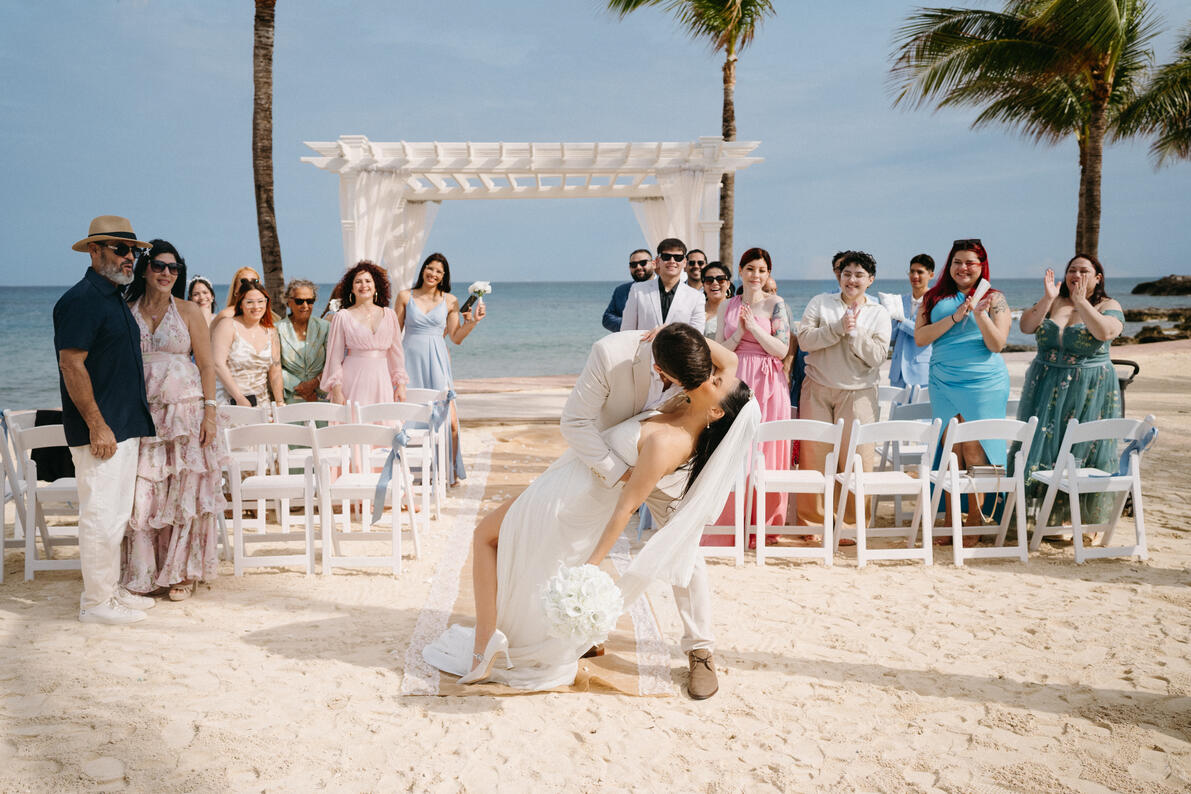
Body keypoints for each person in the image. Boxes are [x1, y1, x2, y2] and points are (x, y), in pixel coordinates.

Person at [425, 325, 756, 694]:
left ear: (715, 409)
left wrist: (593, 567)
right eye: (707, 374)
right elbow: (576, 421)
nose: (710, 377)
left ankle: (700, 649)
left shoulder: (678, 425)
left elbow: (626, 507)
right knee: (539, 555)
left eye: (713, 381)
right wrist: (674, 332)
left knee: (685, 549)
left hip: (618, 478)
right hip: (600, 471)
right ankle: (545, 635)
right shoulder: (648, 368)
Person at [54, 216, 157, 624]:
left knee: (115, 515)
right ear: (95, 251)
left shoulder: (112, 297)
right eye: (120, 249)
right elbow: (71, 364)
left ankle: (108, 593)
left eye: (134, 250)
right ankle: (96, 604)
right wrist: (97, 424)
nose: (130, 257)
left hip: (122, 425)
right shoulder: (81, 299)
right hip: (102, 429)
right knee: (100, 515)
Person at [121, 240, 222, 601]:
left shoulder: (190, 311)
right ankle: (145, 572)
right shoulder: (125, 308)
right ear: (145, 269)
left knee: (183, 491)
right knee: (143, 494)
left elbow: (207, 364)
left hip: (186, 412)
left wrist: (210, 412)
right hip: (141, 412)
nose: (167, 273)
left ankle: (180, 571)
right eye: (160, 266)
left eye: (174, 268)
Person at [1012, 254, 1124, 525]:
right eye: (1072, 270)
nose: (1077, 275)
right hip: (1045, 384)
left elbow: (1106, 333)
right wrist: (1048, 298)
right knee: (1040, 447)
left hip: (1089, 387)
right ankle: (1036, 517)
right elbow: (1026, 326)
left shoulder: (1109, 305)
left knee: (1084, 448)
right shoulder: (1054, 301)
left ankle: (1080, 521)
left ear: (1098, 278)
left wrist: (1081, 302)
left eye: (1084, 270)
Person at [915, 239, 1011, 535]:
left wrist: (980, 315)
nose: (963, 267)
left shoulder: (996, 298)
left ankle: (974, 520)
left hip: (983, 381)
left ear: (982, 266)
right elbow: (921, 338)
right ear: (949, 264)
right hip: (943, 378)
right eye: (957, 262)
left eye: (970, 262)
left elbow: (997, 344)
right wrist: (956, 317)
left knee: (974, 446)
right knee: (949, 448)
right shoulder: (932, 298)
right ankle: (948, 518)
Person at [795, 251, 891, 529]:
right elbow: (804, 341)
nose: (852, 279)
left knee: (857, 460)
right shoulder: (820, 303)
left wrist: (855, 332)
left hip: (859, 393)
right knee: (814, 458)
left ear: (870, 280)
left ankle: (852, 524)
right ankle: (813, 524)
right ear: (840, 275)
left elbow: (877, 356)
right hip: (817, 388)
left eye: (859, 275)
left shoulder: (879, 313)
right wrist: (837, 328)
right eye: (847, 273)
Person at [716, 247, 793, 529]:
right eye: (750, 269)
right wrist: (738, 332)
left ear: (768, 274)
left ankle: (764, 525)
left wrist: (753, 328)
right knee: (733, 447)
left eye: (761, 270)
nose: (755, 275)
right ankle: (730, 522)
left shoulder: (776, 304)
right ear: (740, 270)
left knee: (767, 448)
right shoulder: (727, 305)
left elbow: (782, 350)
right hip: (735, 378)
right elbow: (718, 350)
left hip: (768, 381)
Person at [395, 253, 486, 482]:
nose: (433, 274)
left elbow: (455, 337)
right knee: (411, 419)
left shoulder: (451, 301)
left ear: (444, 277)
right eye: (430, 268)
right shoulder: (405, 296)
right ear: (423, 269)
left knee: (451, 422)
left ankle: (450, 471)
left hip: (437, 362)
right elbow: (394, 336)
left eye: (438, 271)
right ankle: (412, 472)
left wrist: (472, 322)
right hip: (409, 361)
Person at [321, 261, 408, 405]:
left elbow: (397, 355)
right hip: (353, 380)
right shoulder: (342, 316)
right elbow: (334, 358)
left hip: (382, 380)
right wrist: (336, 391)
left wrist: (401, 385)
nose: (363, 285)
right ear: (352, 288)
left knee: (385, 423)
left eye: (368, 281)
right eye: (358, 282)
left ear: (376, 287)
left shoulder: (390, 315)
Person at [211, 281, 284, 406]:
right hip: (230, 402)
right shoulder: (227, 325)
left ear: (266, 302)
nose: (256, 307)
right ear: (240, 304)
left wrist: (280, 402)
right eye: (250, 302)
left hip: (261, 403)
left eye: (260, 301)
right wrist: (239, 398)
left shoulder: (271, 332)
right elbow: (218, 364)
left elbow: (275, 370)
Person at [622, 238, 705, 333]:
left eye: (678, 258)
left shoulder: (696, 297)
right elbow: (626, 331)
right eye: (666, 257)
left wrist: (667, 332)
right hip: (645, 347)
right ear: (658, 261)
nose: (672, 261)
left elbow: (697, 336)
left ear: (684, 262)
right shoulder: (638, 291)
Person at [277, 279, 329, 404]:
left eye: (310, 301)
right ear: (289, 302)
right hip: (291, 396)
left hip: (320, 396)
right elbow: (274, 366)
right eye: (299, 301)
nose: (305, 306)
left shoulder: (325, 327)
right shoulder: (276, 329)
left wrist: (314, 384)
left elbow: (333, 362)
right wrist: (299, 386)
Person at [887, 254, 935, 389]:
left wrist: (902, 321)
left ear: (931, 275)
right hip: (897, 373)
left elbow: (926, 334)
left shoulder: (936, 302)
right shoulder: (900, 300)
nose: (915, 276)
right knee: (897, 410)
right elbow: (891, 336)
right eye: (912, 271)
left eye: (920, 272)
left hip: (922, 372)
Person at [602, 249, 654, 332]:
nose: (638, 267)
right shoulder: (621, 291)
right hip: (628, 340)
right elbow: (607, 318)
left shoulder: (663, 287)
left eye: (643, 263)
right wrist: (630, 325)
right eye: (633, 264)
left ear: (653, 264)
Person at [700, 261, 732, 339]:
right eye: (709, 280)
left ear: (728, 284)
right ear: (703, 284)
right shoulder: (696, 308)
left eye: (720, 279)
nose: (715, 283)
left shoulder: (734, 310)